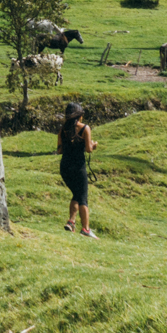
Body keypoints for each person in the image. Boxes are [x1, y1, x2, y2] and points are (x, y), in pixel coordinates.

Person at [57, 101, 97, 238]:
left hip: (65, 168)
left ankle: (71, 222)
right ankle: (85, 229)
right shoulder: (85, 128)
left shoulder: (62, 130)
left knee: (76, 194)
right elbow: (88, 149)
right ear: (79, 116)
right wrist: (93, 145)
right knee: (82, 197)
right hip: (78, 167)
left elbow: (60, 150)